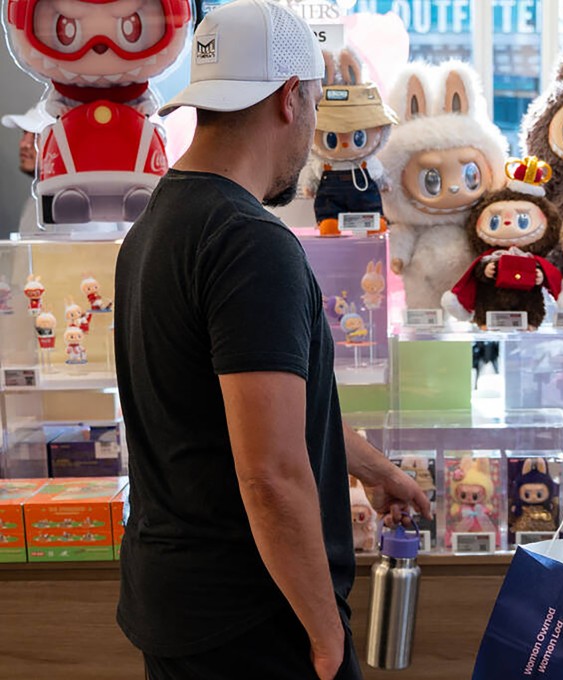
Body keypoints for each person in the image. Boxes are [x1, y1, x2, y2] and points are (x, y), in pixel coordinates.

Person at [113, 2, 429, 679]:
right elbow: (270, 474)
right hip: (252, 616)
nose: (315, 127)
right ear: (291, 99)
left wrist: (371, 467)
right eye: (316, 104)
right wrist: (324, 635)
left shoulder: (156, 226)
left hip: (175, 601)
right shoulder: (251, 243)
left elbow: (234, 408)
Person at [1, 103, 54, 234]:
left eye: (36, 136)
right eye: (25, 134)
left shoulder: (76, 205)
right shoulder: (36, 199)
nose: (24, 144)